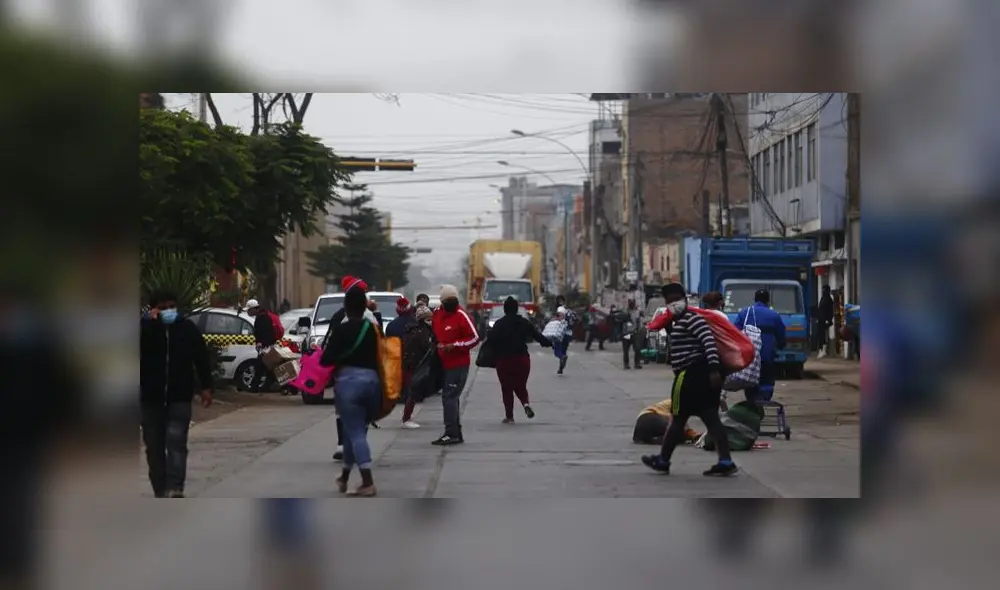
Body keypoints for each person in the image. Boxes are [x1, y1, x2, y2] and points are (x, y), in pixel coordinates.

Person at [641, 282, 737, 477]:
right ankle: (725, 460)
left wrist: (713, 370)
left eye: (676, 300)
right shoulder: (681, 322)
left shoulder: (693, 319)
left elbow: (708, 342)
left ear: (685, 300)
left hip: (690, 377)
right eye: (669, 301)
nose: (673, 304)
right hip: (700, 377)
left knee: (677, 419)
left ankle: (663, 460)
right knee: (710, 419)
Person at [140, 290, 213, 498]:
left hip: (179, 397)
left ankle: (175, 488)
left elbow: (200, 358)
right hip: (150, 399)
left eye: (171, 306)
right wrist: (149, 325)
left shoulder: (186, 329)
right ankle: (160, 490)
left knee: (176, 442)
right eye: (162, 307)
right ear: (153, 309)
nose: (168, 311)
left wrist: (206, 387)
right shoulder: (145, 330)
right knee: (154, 448)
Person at [320, 279, 381, 497]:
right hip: (373, 383)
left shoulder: (342, 330)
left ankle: (368, 482)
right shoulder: (372, 328)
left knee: (355, 433)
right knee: (352, 430)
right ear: (365, 307)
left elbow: (326, 360)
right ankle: (344, 477)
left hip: (349, 384)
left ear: (346, 307)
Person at [487, 296, 552, 423]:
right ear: (517, 309)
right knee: (520, 385)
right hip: (522, 359)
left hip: (504, 360)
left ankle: (509, 416)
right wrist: (549, 343)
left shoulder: (499, 324)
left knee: (507, 388)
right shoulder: (524, 322)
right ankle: (525, 404)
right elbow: (538, 336)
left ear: (505, 310)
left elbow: (491, 341)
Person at [430, 285, 479, 445]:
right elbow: (435, 330)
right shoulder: (438, 314)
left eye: (453, 300)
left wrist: (455, 345)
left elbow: (474, 338)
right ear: (442, 302)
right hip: (442, 362)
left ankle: (451, 433)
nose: (451, 303)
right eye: (447, 301)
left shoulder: (461, 315)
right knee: (450, 396)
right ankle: (455, 432)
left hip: (458, 364)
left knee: (449, 397)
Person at [734, 289, 786, 404]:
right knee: (767, 380)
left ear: (755, 299)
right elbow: (781, 334)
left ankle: (752, 402)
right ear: (768, 300)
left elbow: (735, 333)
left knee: (750, 380)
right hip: (767, 355)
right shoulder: (774, 315)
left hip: (750, 355)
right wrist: (781, 346)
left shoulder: (744, 313)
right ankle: (763, 401)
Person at [400, 305, 435, 429]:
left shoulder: (412, 330)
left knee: (412, 392)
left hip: (410, 364)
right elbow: (428, 349)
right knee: (412, 393)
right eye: (428, 319)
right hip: (414, 366)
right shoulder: (422, 333)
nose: (431, 322)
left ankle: (407, 417)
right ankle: (406, 418)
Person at [633, 398, 700, 445]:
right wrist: (690, 433)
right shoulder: (680, 403)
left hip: (641, 425)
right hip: (649, 417)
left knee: (679, 433)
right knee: (677, 430)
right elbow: (677, 420)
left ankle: (650, 439)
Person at [246, 298, 278, 393]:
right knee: (265, 367)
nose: (248, 313)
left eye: (249, 310)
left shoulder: (263, 319)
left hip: (266, 347)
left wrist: (262, 343)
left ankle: (255, 387)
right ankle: (263, 386)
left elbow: (268, 334)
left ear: (254, 309)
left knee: (260, 367)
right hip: (265, 347)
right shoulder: (261, 317)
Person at [542, 309, 570, 375]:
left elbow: (550, 329)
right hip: (566, 338)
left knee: (558, 353)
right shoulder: (566, 321)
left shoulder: (556, 321)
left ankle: (561, 365)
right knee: (562, 351)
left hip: (559, 338)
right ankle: (561, 369)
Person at [621, 299, 643, 370]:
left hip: (635, 333)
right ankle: (626, 364)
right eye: (630, 303)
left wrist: (639, 330)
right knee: (626, 350)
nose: (632, 304)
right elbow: (621, 320)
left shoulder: (637, 312)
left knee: (637, 348)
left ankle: (637, 363)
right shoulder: (625, 311)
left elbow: (639, 321)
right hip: (626, 333)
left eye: (633, 303)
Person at [817, 285, 834, 358]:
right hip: (821, 319)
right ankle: (821, 349)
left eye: (824, 290)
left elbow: (830, 310)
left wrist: (828, 319)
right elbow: (820, 309)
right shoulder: (823, 298)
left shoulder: (829, 299)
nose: (823, 291)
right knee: (821, 334)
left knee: (824, 335)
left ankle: (824, 350)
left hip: (825, 320)